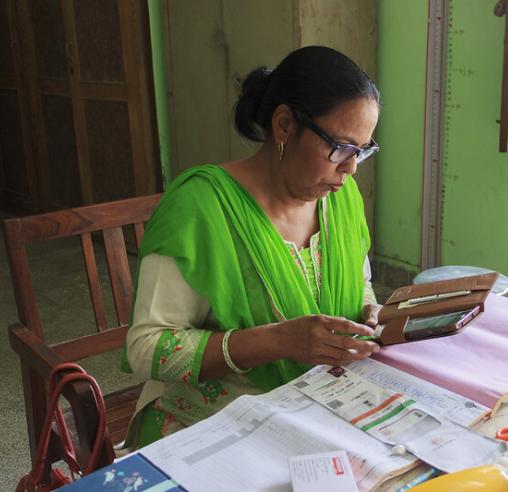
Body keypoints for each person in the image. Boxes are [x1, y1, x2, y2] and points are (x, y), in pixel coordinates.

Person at [122, 46, 383, 448]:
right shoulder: (201, 208)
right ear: (284, 124)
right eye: (341, 148)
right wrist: (276, 341)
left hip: (317, 403)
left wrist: (369, 312)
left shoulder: (339, 198)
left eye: (362, 151)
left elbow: (358, 282)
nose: (349, 169)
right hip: (213, 422)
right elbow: (146, 348)